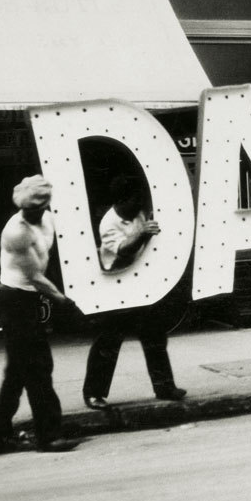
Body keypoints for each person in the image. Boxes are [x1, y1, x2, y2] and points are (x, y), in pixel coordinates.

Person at [0, 175, 80, 453]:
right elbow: (35, 275)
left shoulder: (47, 219)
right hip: (15, 299)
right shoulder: (16, 232)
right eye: (29, 208)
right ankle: (49, 436)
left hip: (27, 299)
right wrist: (63, 300)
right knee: (38, 367)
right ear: (22, 207)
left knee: (17, 371)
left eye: (39, 207)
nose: (34, 212)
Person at [82, 176, 186, 410]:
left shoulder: (139, 212)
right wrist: (142, 234)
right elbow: (124, 251)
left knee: (155, 336)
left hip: (142, 284)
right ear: (122, 201)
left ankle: (165, 386)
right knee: (108, 342)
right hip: (117, 286)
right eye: (136, 200)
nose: (140, 204)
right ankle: (94, 393)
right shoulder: (109, 223)